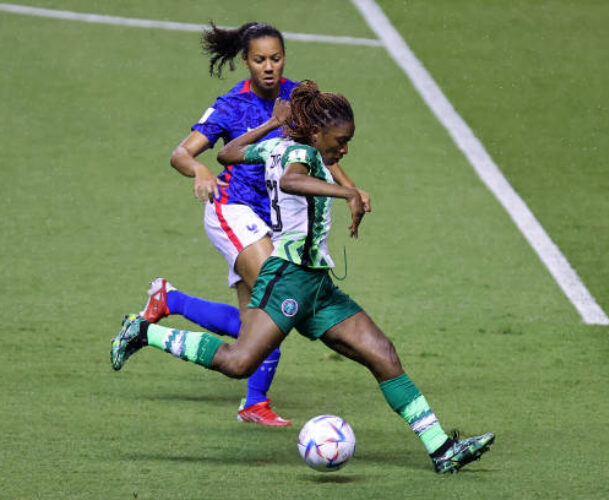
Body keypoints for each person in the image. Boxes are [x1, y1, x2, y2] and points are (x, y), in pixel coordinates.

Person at [111, 80, 494, 473]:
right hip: (288, 279)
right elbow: (291, 180)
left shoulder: (277, 145)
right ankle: (143, 332)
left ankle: (441, 448)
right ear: (316, 132)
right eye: (340, 140)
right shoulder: (301, 155)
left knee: (383, 353)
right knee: (239, 362)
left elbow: (229, 153)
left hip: (318, 286)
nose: (344, 149)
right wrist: (345, 193)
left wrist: (269, 125)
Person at [143, 21, 370, 426]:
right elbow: (183, 152)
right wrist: (199, 172)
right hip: (233, 209)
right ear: (246, 61)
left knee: (256, 326)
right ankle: (250, 397)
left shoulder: (300, 97)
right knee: (277, 303)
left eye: (276, 58)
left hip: (275, 220)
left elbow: (326, 153)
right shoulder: (231, 105)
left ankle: (171, 302)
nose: (269, 67)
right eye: (260, 59)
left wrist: (353, 188)